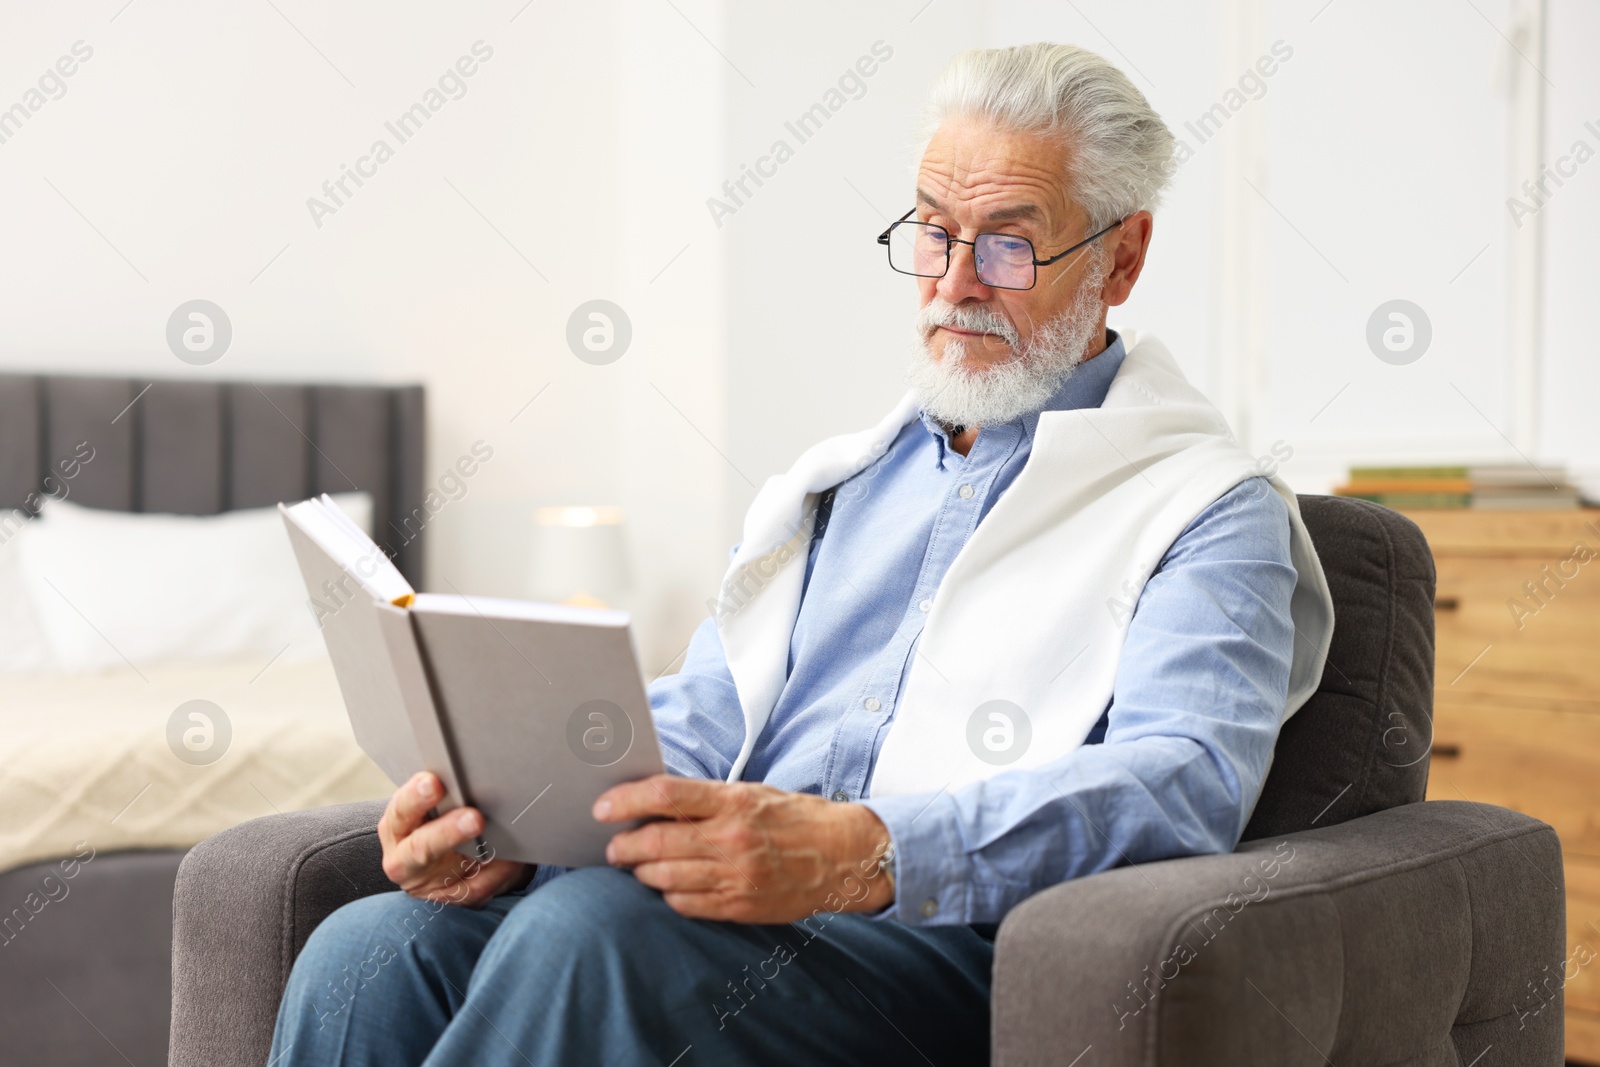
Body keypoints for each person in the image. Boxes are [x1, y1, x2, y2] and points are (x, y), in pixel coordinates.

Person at [271, 40, 1332, 1066]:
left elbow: (1180, 781)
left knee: (594, 930)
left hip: (946, 945)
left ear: (1122, 258)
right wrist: (519, 816)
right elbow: (706, 713)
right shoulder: (839, 482)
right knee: (366, 953)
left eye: (1009, 242)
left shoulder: (1205, 506)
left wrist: (860, 850)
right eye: (931, 231)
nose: (955, 282)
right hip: (721, 923)